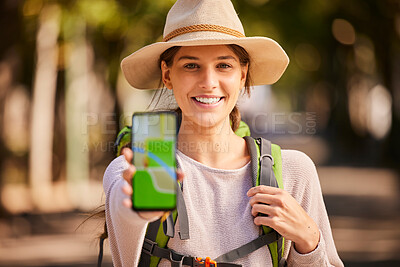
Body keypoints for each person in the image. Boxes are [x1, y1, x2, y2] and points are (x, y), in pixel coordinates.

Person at [103, 0, 344, 266]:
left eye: (224, 66)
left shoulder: (294, 172)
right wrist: (138, 211)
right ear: (167, 74)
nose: (208, 82)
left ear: (243, 75)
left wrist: (309, 239)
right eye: (191, 66)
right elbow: (123, 218)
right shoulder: (131, 171)